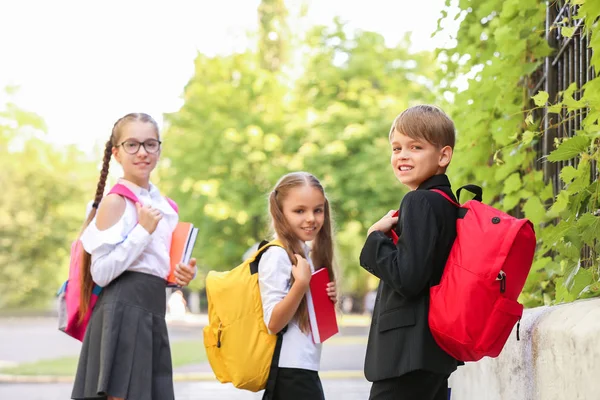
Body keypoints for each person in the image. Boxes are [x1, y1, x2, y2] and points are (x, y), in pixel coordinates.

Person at [71, 113, 197, 400]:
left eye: (150, 144)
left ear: (159, 149)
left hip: (152, 311)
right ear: (116, 153)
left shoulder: (166, 206)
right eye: (132, 145)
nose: (142, 152)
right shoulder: (115, 202)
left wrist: (182, 276)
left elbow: (156, 268)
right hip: (123, 311)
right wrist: (142, 231)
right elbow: (100, 273)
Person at [359, 105, 460, 400]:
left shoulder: (419, 202)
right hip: (430, 352)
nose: (402, 155)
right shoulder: (446, 203)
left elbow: (408, 277)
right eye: (396, 148)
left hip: (407, 355)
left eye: (415, 147)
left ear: (443, 156)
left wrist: (375, 238)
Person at [258, 172, 338, 400]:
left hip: (305, 368)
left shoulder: (305, 254)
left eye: (318, 210)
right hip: (289, 372)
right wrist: (301, 284)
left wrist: (323, 297)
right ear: (280, 213)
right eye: (299, 211)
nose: (311, 218)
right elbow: (273, 322)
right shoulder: (277, 255)